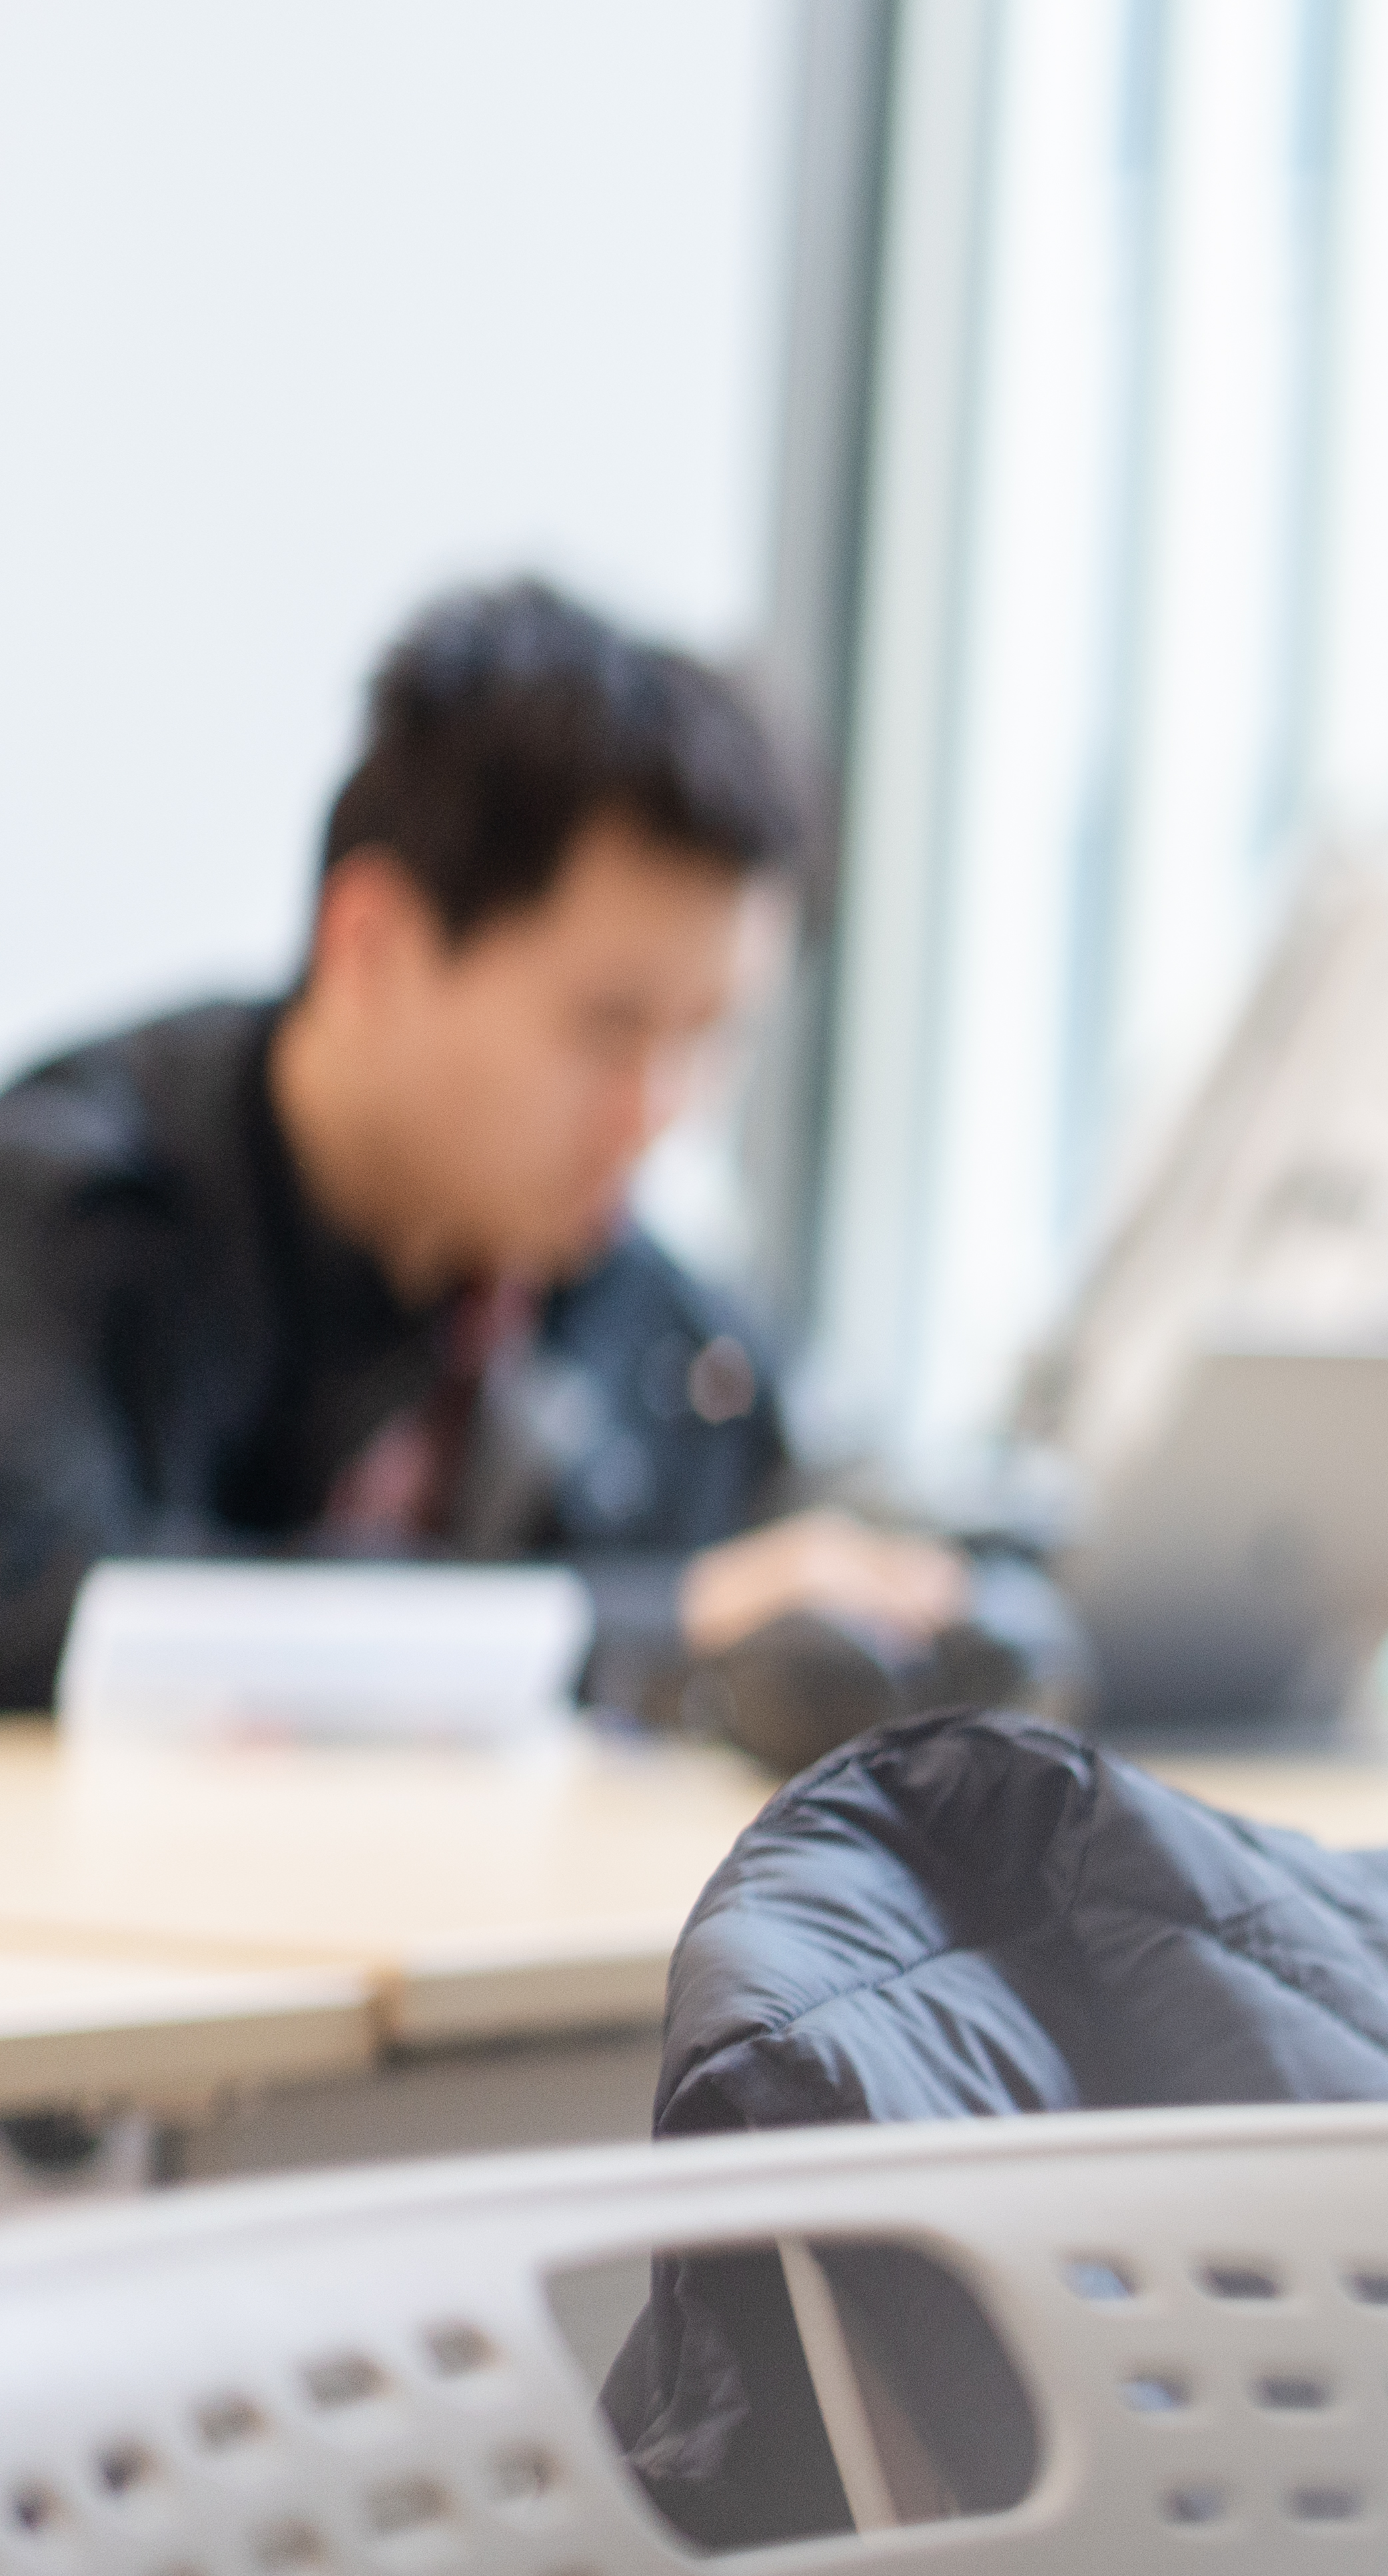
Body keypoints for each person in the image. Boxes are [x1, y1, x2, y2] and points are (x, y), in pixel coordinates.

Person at [0, 575, 971, 1724]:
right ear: (372, 948)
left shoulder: (628, 1299)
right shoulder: (67, 1209)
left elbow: (801, 1512)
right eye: (610, 1029)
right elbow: (65, 1617)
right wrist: (662, 1623)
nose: (660, 1111)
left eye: (710, 1040)